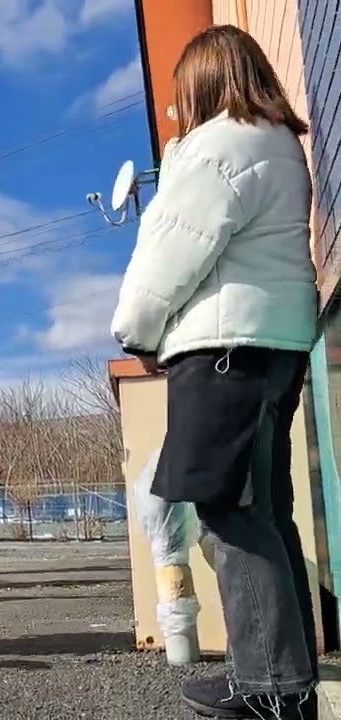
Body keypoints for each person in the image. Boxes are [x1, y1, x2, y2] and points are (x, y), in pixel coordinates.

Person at [110, 25, 318, 719]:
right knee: (265, 510)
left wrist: (135, 331)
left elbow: (170, 254)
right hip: (276, 347)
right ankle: (279, 680)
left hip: (227, 350)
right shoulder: (279, 144)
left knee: (227, 512)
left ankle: (270, 688)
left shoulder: (218, 145)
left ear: (202, 84)